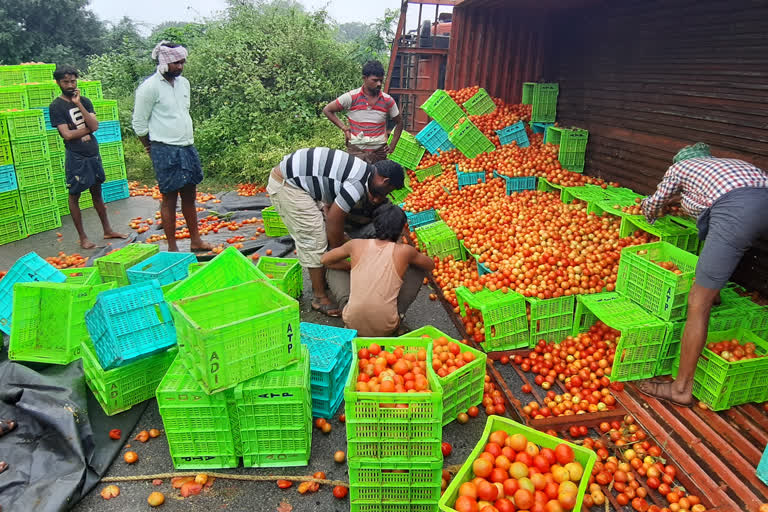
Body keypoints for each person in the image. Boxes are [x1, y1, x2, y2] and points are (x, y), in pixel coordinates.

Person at [637, 142, 768, 406]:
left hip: (737, 213)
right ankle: (714, 292)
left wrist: (646, 209)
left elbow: (654, 204)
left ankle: (681, 388)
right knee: (724, 247)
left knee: (697, 303)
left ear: (679, 162)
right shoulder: (730, 166)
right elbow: (710, 209)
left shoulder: (679, 169)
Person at [267, 147, 405, 316]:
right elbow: (334, 219)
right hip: (289, 185)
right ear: (385, 181)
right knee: (314, 239)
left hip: (299, 180)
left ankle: (322, 279)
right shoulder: (357, 184)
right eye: (389, 191)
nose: (386, 195)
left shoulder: (366, 173)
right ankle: (319, 297)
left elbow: (333, 207)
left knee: (324, 238)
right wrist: (341, 253)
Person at [132, 41, 211, 253]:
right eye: (176, 63)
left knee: (190, 194)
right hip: (164, 148)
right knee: (169, 197)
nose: (180, 67)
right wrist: (150, 147)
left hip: (186, 146)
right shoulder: (149, 88)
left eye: (182, 62)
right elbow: (139, 123)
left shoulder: (184, 83)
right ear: (164, 62)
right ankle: (172, 247)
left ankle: (196, 241)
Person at [322, 204, 434, 336]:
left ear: (375, 224)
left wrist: (351, 267)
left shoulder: (355, 244)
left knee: (332, 268)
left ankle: (346, 306)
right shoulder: (405, 251)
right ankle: (399, 314)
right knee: (417, 268)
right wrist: (408, 261)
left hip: (352, 324)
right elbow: (430, 265)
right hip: (386, 326)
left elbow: (324, 260)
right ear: (402, 229)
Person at [49, 66, 127, 249]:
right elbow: (67, 135)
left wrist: (78, 104)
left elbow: (95, 125)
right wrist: (89, 129)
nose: (70, 85)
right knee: (74, 195)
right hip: (76, 156)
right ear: (58, 83)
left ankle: (107, 229)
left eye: (73, 81)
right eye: (66, 82)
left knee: (97, 192)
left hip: (93, 152)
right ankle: (83, 237)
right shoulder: (56, 106)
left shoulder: (84, 101)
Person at [323, 60, 403, 164]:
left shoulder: (387, 100)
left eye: (380, 80)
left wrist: (392, 146)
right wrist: (344, 128)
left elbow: (399, 122)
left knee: (377, 179)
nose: (379, 84)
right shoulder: (351, 97)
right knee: (355, 178)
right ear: (364, 78)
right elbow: (327, 110)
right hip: (356, 153)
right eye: (375, 80)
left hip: (378, 154)